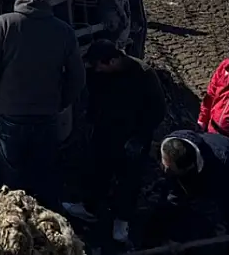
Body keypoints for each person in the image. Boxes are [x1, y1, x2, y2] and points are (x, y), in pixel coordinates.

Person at [0, 0, 86, 212]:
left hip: (10, 115)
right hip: (46, 115)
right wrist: (60, 103)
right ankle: (49, 228)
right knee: (46, 176)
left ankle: (17, 227)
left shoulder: (4, 24)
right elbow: (78, 77)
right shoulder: (63, 30)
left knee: (12, 179)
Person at [61, 39, 167, 244]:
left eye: (99, 65)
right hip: (105, 132)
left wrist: (139, 137)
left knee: (129, 179)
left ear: (112, 61)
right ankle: (89, 207)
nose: (95, 70)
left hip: (132, 137)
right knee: (97, 170)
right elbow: (93, 96)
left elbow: (158, 110)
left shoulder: (143, 74)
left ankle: (122, 219)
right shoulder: (98, 73)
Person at [148, 129, 229, 255]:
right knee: (169, 206)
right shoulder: (171, 146)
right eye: (165, 166)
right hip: (200, 179)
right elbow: (177, 198)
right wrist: (177, 237)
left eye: (168, 169)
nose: (164, 169)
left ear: (189, 168)